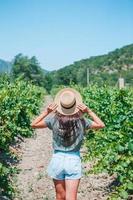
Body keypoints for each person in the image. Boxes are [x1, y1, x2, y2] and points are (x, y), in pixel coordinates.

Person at [31, 88, 105, 200]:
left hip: (57, 159)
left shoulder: (53, 119)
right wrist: (88, 111)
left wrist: (47, 111)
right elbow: (101, 125)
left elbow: (34, 124)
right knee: (71, 198)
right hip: (73, 160)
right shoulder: (82, 121)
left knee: (60, 196)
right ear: (76, 105)